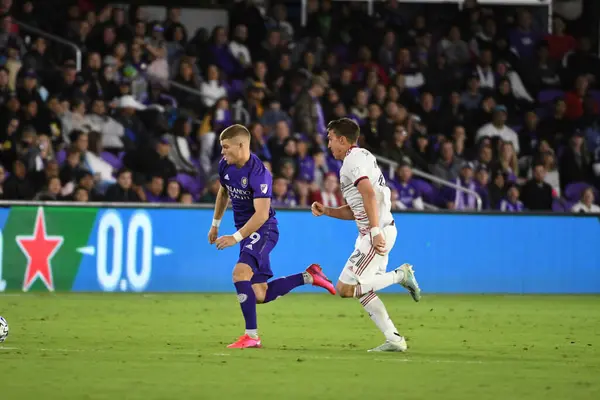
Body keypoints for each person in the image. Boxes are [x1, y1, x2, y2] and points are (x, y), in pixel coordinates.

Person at [208, 124, 335, 349]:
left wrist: (235, 238)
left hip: (263, 229)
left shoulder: (258, 173)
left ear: (241, 145)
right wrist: (215, 224)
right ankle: (309, 276)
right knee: (259, 293)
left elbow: (261, 214)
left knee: (239, 274)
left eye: (226, 147)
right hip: (248, 231)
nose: (222, 152)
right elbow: (224, 192)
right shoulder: (225, 166)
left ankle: (251, 336)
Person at [311, 118, 421, 353]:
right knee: (364, 291)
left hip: (375, 233)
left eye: (330, 139)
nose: (328, 144)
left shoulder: (353, 160)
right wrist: (327, 211)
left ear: (342, 140)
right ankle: (394, 339)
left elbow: (369, 195)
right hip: (375, 231)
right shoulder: (360, 158)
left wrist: (374, 232)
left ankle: (401, 275)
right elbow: (356, 208)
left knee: (345, 289)